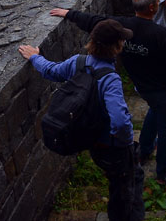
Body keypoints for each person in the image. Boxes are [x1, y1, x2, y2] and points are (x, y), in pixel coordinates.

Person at [49, 0, 166, 184]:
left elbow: (93, 21)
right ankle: (164, 170)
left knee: (155, 111)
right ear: (153, 8)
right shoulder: (160, 34)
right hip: (164, 89)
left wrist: (69, 14)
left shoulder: (121, 26)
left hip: (143, 86)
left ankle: (144, 149)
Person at [17, 20, 144, 221]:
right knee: (126, 189)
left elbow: (51, 70)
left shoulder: (78, 62)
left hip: (93, 142)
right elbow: (119, 122)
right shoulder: (110, 79)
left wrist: (35, 57)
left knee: (120, 182)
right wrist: (125, 143)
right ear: (116, 46)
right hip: (113, 148)